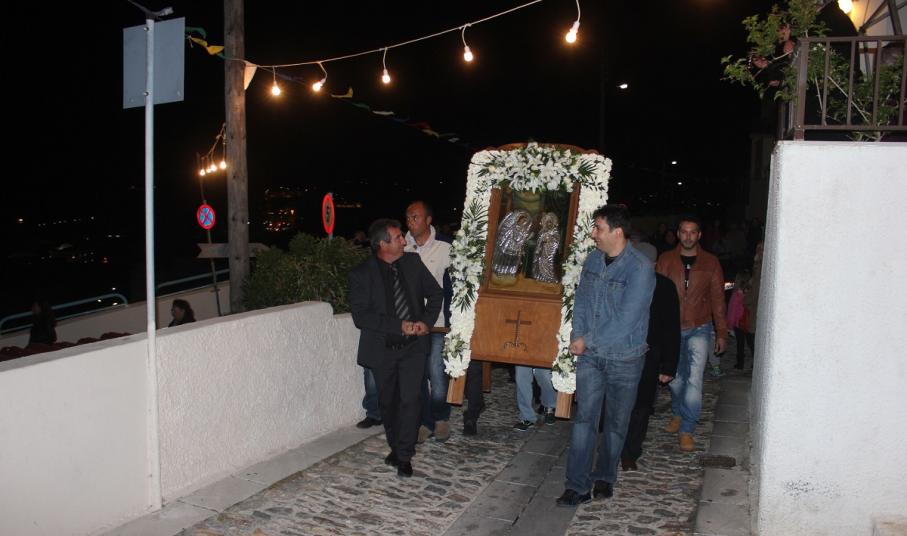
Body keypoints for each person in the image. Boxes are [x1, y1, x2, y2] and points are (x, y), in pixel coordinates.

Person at [556, 205, 655, 507]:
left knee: (615, 423)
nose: (593, 234)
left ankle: (605, 476)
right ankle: (576, 485)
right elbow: (581, 303)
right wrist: (577, 335)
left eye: (598, 228)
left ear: (617, 231)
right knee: (585, 419)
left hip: (625, 358)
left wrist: (587, 340)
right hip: (591, 357)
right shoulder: (593, 260)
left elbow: (627, 319)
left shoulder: (640, 268)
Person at [349, 218, 442, 478]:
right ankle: (396, 447)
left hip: (413, 348)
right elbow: (361, 317)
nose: (404, 241)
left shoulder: (413, 263)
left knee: (411, 399)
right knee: (389, 404)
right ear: (383, 244)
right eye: (399, 237)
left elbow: (436, 294)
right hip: (382, 350)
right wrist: (399, 326)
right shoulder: (361, 274)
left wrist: (425, 322)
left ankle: (404, 455)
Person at [657, 214, 727, 452]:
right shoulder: (666, 260)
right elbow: (656, 295)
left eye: (692, 232)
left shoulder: (711, 262)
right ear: (678, 234)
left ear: (699, 235)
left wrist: (721, 331)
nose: (688, 236)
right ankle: (678, 411)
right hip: (671, 329)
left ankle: (687, 427)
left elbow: (718, 299)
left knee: (694, 378)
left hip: (700, 325)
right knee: (675, 378)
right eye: (684, 232)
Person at [614, 246, 680, 471]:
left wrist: (669, 364)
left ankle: (630, 452)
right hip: (619, 353)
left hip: (649, 356)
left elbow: (671, 328)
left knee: (641, 406)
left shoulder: (665, 287)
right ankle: (614, 448)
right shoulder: (620, 283)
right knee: (617, 405)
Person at [404, 201, 453, 443]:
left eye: (415, 217)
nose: (410, 221)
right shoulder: (403, 247)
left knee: (437, 372)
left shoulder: (445, 248)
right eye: (408, 217)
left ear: (428, 220)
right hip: (411, 323)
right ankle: (425, 422)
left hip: (438, 322)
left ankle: (441, 417)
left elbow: (454, 286)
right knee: (418, 375)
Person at [727, 270, 755, 370]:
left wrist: (730, 325)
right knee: (751, 343)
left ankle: (740, 363)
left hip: (738, 323)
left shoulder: (736, 294)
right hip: (749, 321)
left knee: (740, 344)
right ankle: (755, 361)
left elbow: (732, 311)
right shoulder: (751, 292)